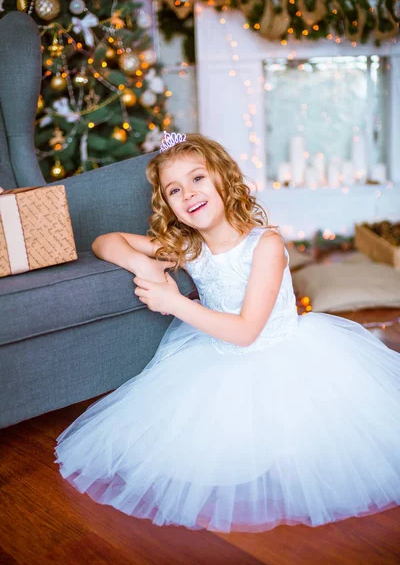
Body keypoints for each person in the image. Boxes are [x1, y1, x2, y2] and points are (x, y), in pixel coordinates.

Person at [54, 132, 400, 534]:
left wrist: (175, 303)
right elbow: (103, 242)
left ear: (223, 178)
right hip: (215, 357)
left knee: (309, 451)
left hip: (283, 356)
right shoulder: (188, 248)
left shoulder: (265, 245)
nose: (189, 194)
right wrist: (142, 264)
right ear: (169, 206)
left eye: (198, 178)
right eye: (175, 189)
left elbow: (247, 331)